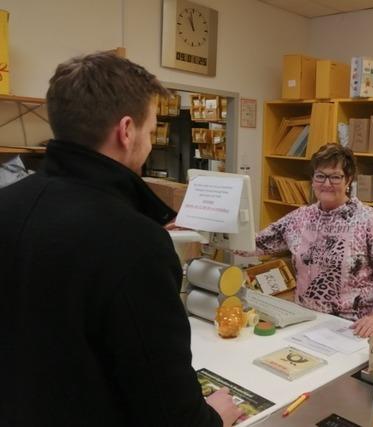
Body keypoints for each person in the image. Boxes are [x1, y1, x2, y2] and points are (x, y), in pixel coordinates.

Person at [0, 52, 241, 427]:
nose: (149, 141)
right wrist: (214, 418)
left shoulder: (8, 203)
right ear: (126, 131)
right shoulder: (134, 242)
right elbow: (165, 404)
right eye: (151, 129)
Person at [244, 144, 373, 337]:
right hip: (305, 319)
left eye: (335, 177)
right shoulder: (300, 218)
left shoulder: (367, 219)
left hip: (354, 326)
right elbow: (255, 245)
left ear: (348, 179)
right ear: (313, 179)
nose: (326, 183)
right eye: (320, 175)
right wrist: (214, 230)